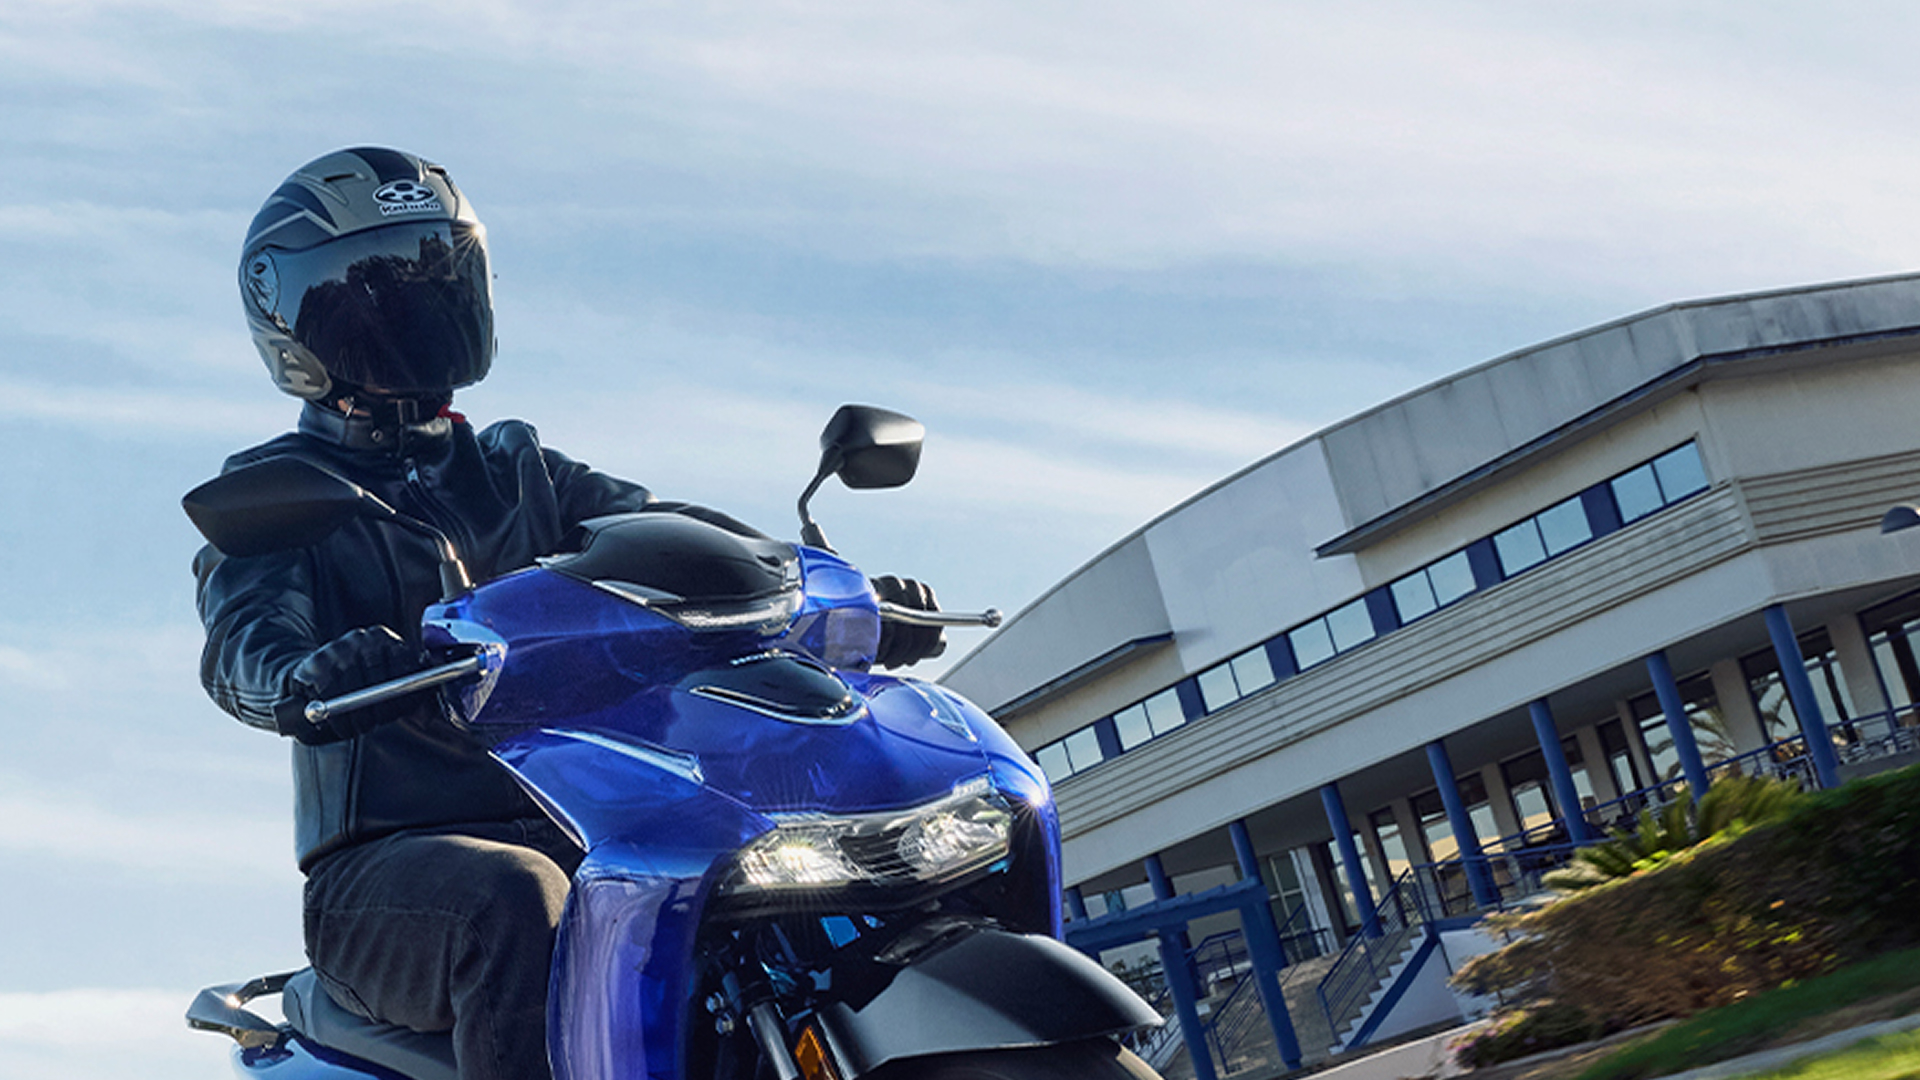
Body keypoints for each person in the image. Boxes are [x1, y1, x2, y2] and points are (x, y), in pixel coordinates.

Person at [192, 147, 942, 1080]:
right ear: (304, 326)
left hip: (594, 819)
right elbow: (243, 645)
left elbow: (681, 541)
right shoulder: (279, 494)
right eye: (386, 290)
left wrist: (841, 593)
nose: (426, 308)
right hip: (396, 868)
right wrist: (306, 676)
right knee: (515, 900)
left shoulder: (521, 469)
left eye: (443, 275)